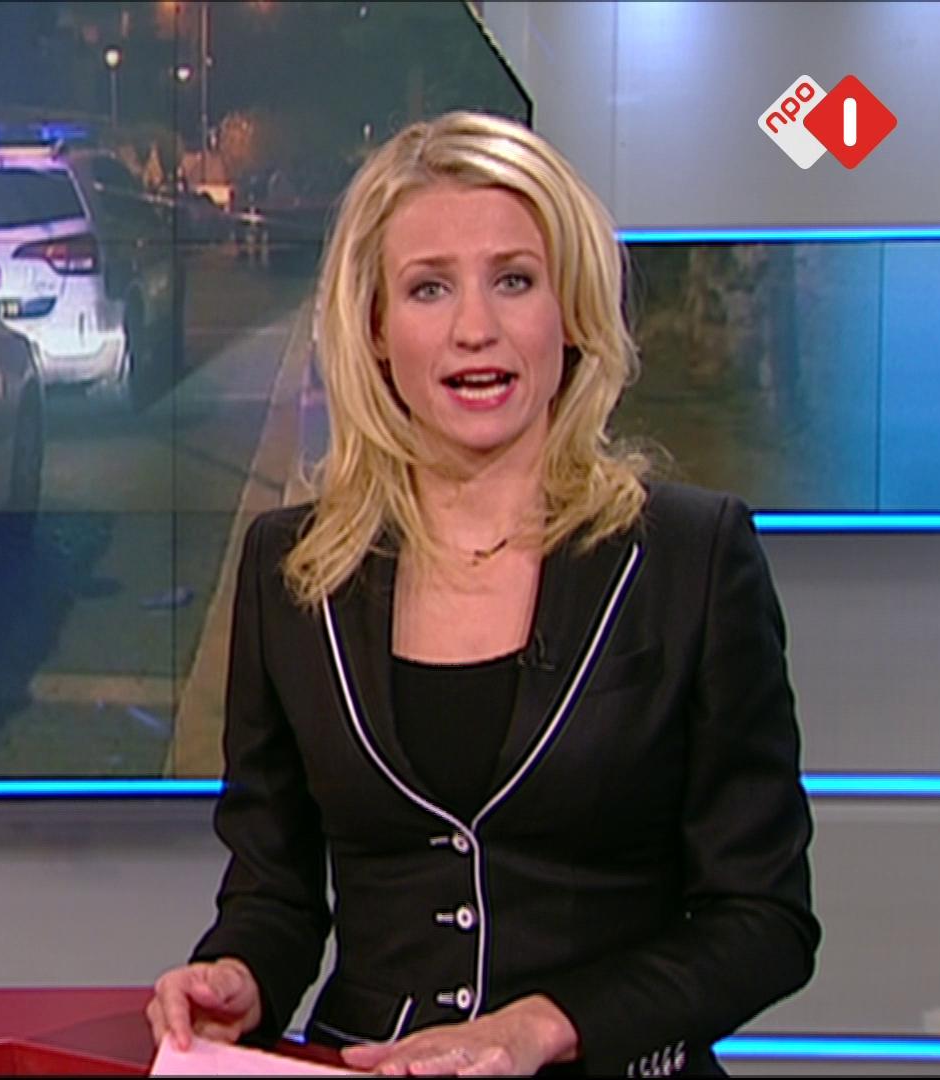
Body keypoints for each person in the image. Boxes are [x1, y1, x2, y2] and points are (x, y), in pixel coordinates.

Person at [146, 111, 818, 1077]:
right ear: (376, 330)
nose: (475, 329)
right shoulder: (291, 569)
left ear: (571, 311)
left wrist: (546, 1025)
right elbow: (275, 892)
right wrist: (240, 975)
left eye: (514, 280)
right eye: (429, 288)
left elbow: (763, 919)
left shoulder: (691, 557)